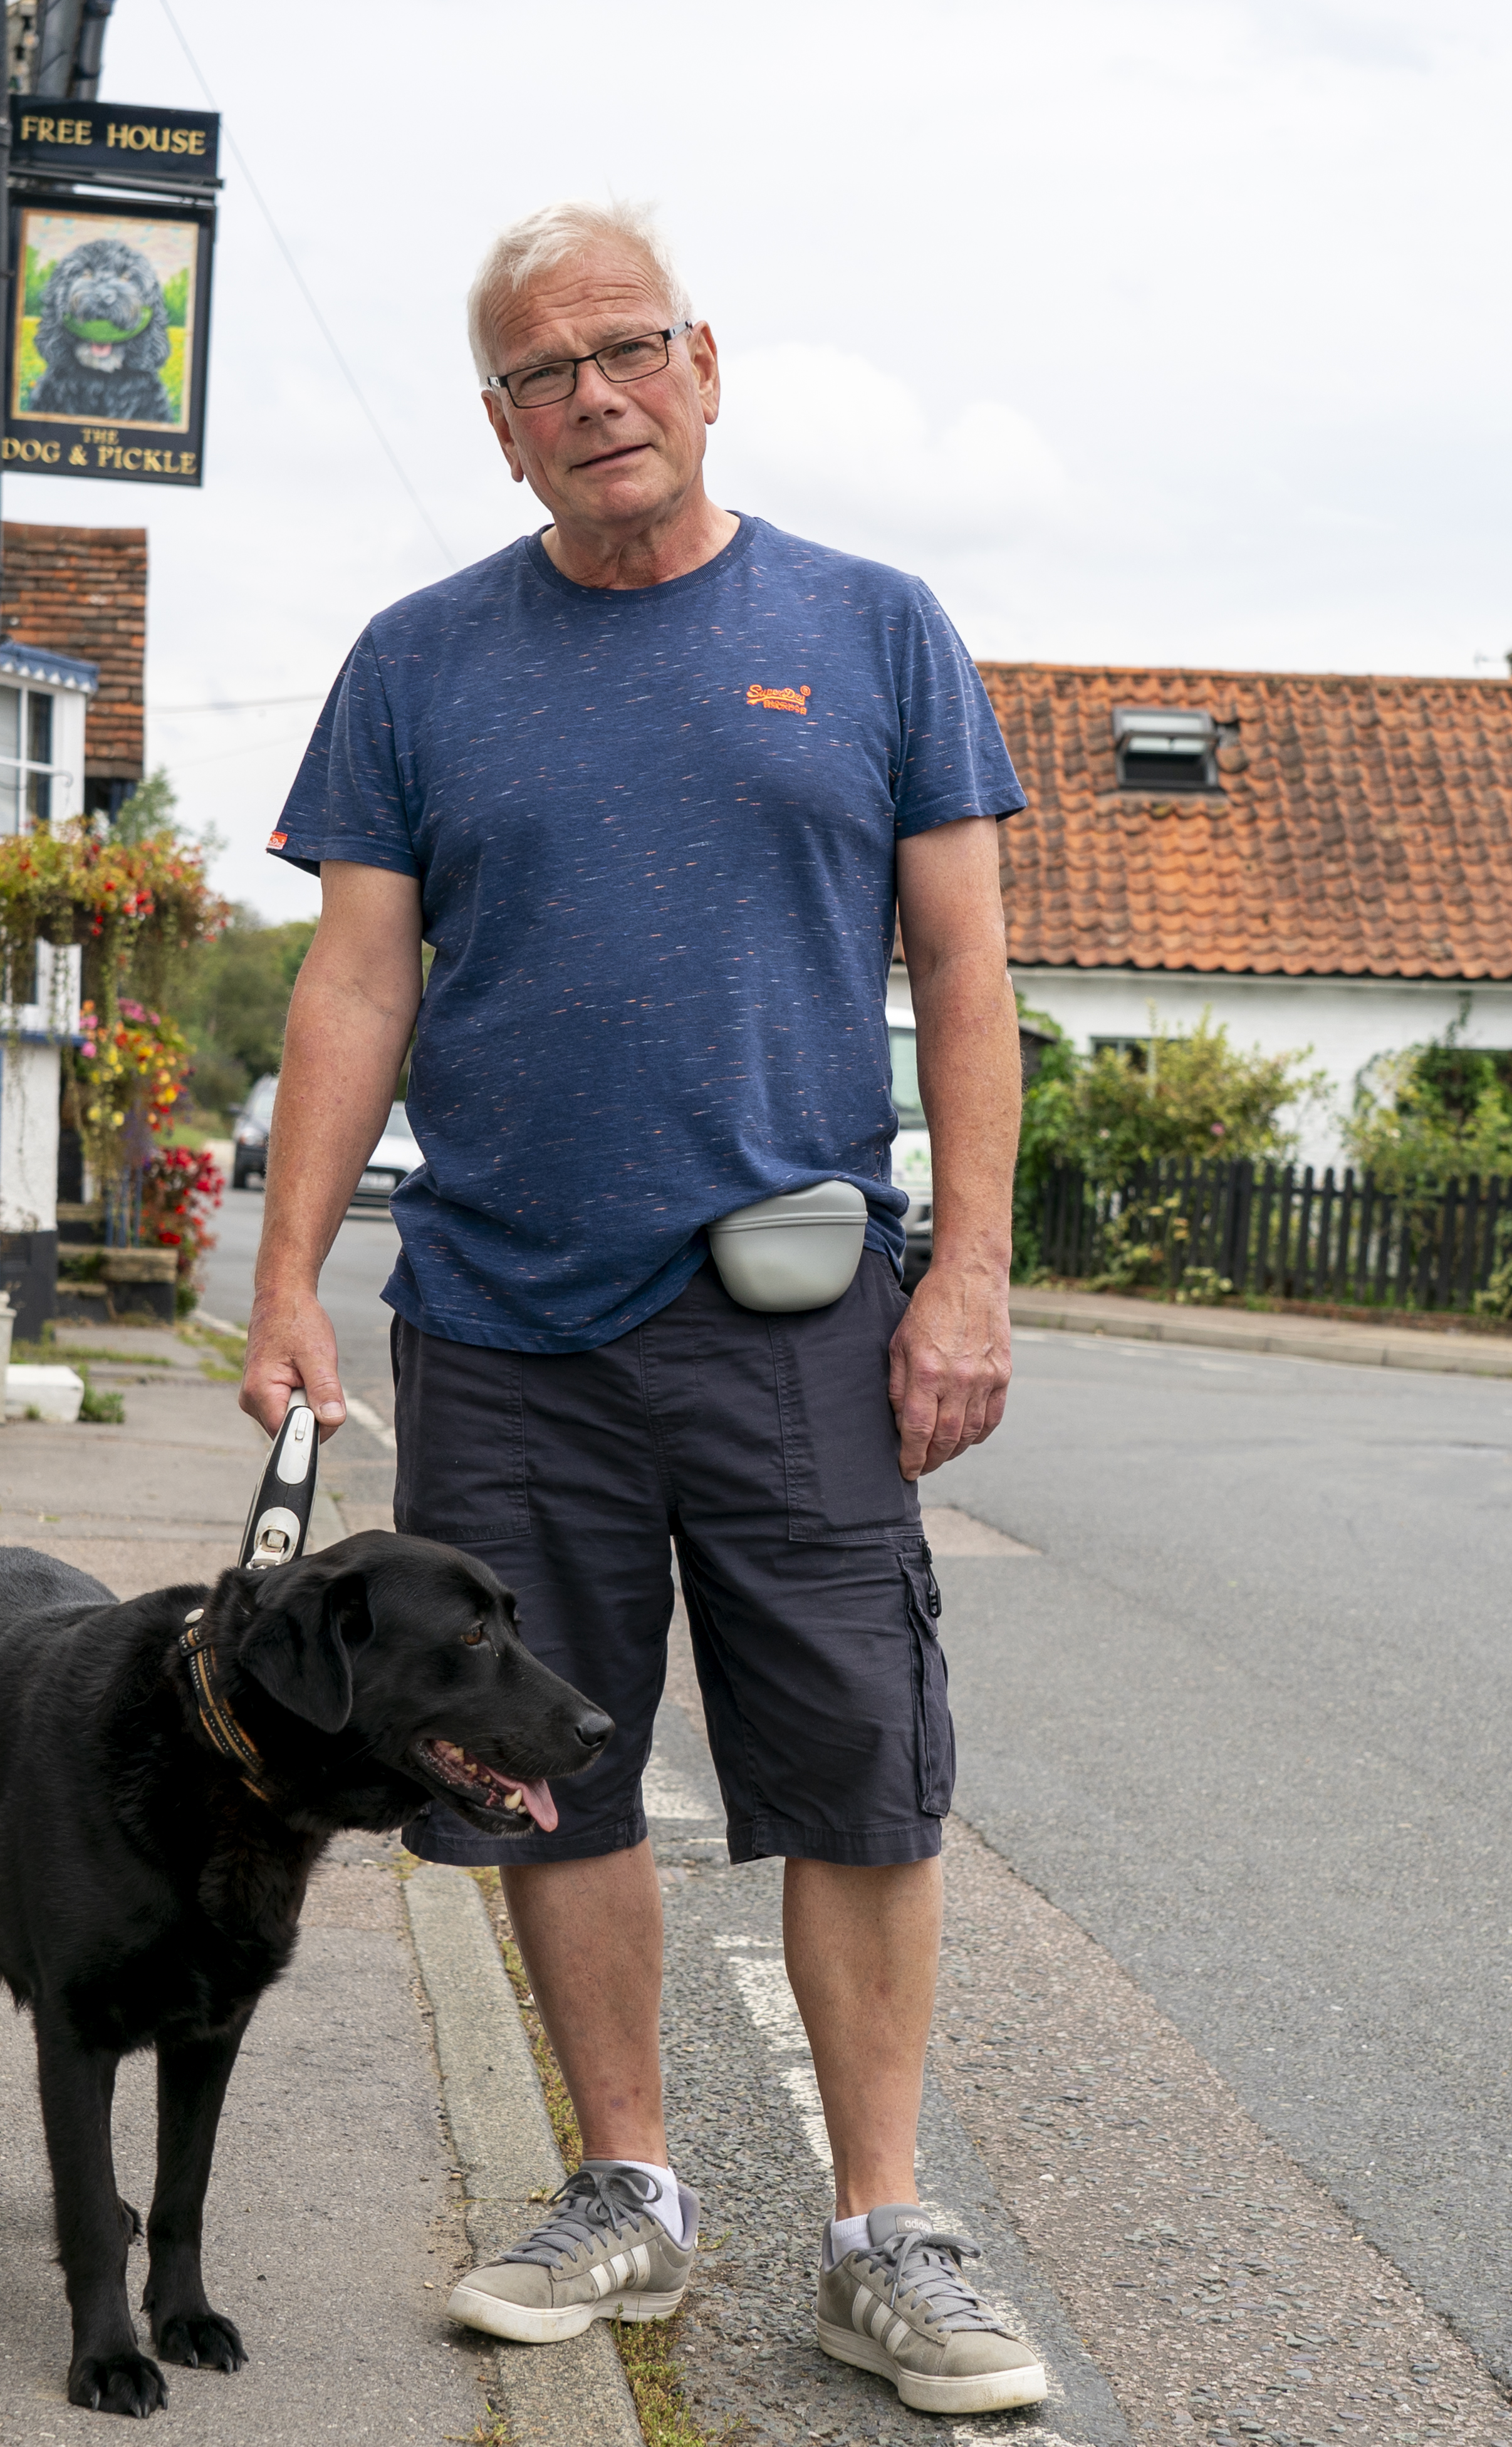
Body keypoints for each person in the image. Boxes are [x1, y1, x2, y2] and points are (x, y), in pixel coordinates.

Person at [238, 199, 1044, 2418]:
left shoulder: (874, 632)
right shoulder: (418, 662)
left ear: (705, 364)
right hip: (502, 1318)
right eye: (537, 374)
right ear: (499, 434)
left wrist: (963, 1268)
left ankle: (884, 2229)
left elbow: (967, 973)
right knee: (531, 1770)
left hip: (794, 1313)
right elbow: (357, 977)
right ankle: (626, 2187)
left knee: (861, 1764)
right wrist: (289, 1274)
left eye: (624, 350)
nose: (591, 395)